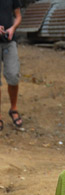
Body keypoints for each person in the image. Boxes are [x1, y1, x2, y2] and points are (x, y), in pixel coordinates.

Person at [0, 0, 22, 131]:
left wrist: (12, 28)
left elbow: (18, 16)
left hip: (9, 42)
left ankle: (13, 108)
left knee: (13, 76)